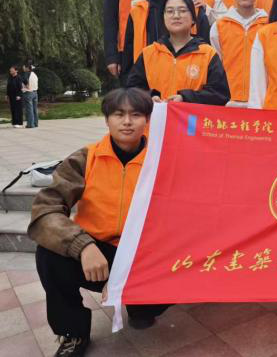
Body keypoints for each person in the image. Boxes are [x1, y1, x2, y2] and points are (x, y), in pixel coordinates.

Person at [29, 88, 170, 357]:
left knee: (179, 271)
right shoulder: (85, 159)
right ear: (107, 120)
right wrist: (82, 246)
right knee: (49, 254)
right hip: (97, 254)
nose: (127, 122)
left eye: (136, 114)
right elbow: (46, 209)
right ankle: (73, 332)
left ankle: (141, 304)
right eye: (118, 114)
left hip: (145, 255)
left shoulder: (161, 160)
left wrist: (129, 269)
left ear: (147, 120)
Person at [128, 0, 229, 105]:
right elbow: (132, 89)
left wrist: (185, 97)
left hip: (191, 116)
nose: (176, 16)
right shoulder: (149, 53)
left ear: (193, 19)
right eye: (170, 11)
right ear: (163, 18)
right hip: (157, 115)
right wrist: (149, 97)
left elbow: (220, 94)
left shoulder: (207, 54)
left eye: (182, 10)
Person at [121, 0, 184, 80]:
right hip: (146, 80)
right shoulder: (138, 10)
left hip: (184, 80)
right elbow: (129, 51)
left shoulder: (192, 8)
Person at [210, 0, 268, 107]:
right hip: (229, 101)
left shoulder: (268, 25)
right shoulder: (219, 26)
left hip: (262, 102)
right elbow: (217, 67)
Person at [22, 62, 39, 128]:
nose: (23, 68)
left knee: (29, 109)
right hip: (35, 92)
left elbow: (24, 79)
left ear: (27, 68)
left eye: (24, 67)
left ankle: (30, 124)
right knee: (35, 109)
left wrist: (27, 85)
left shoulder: (26, 73)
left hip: (29, 92)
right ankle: (35, 123)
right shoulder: (34, 74)